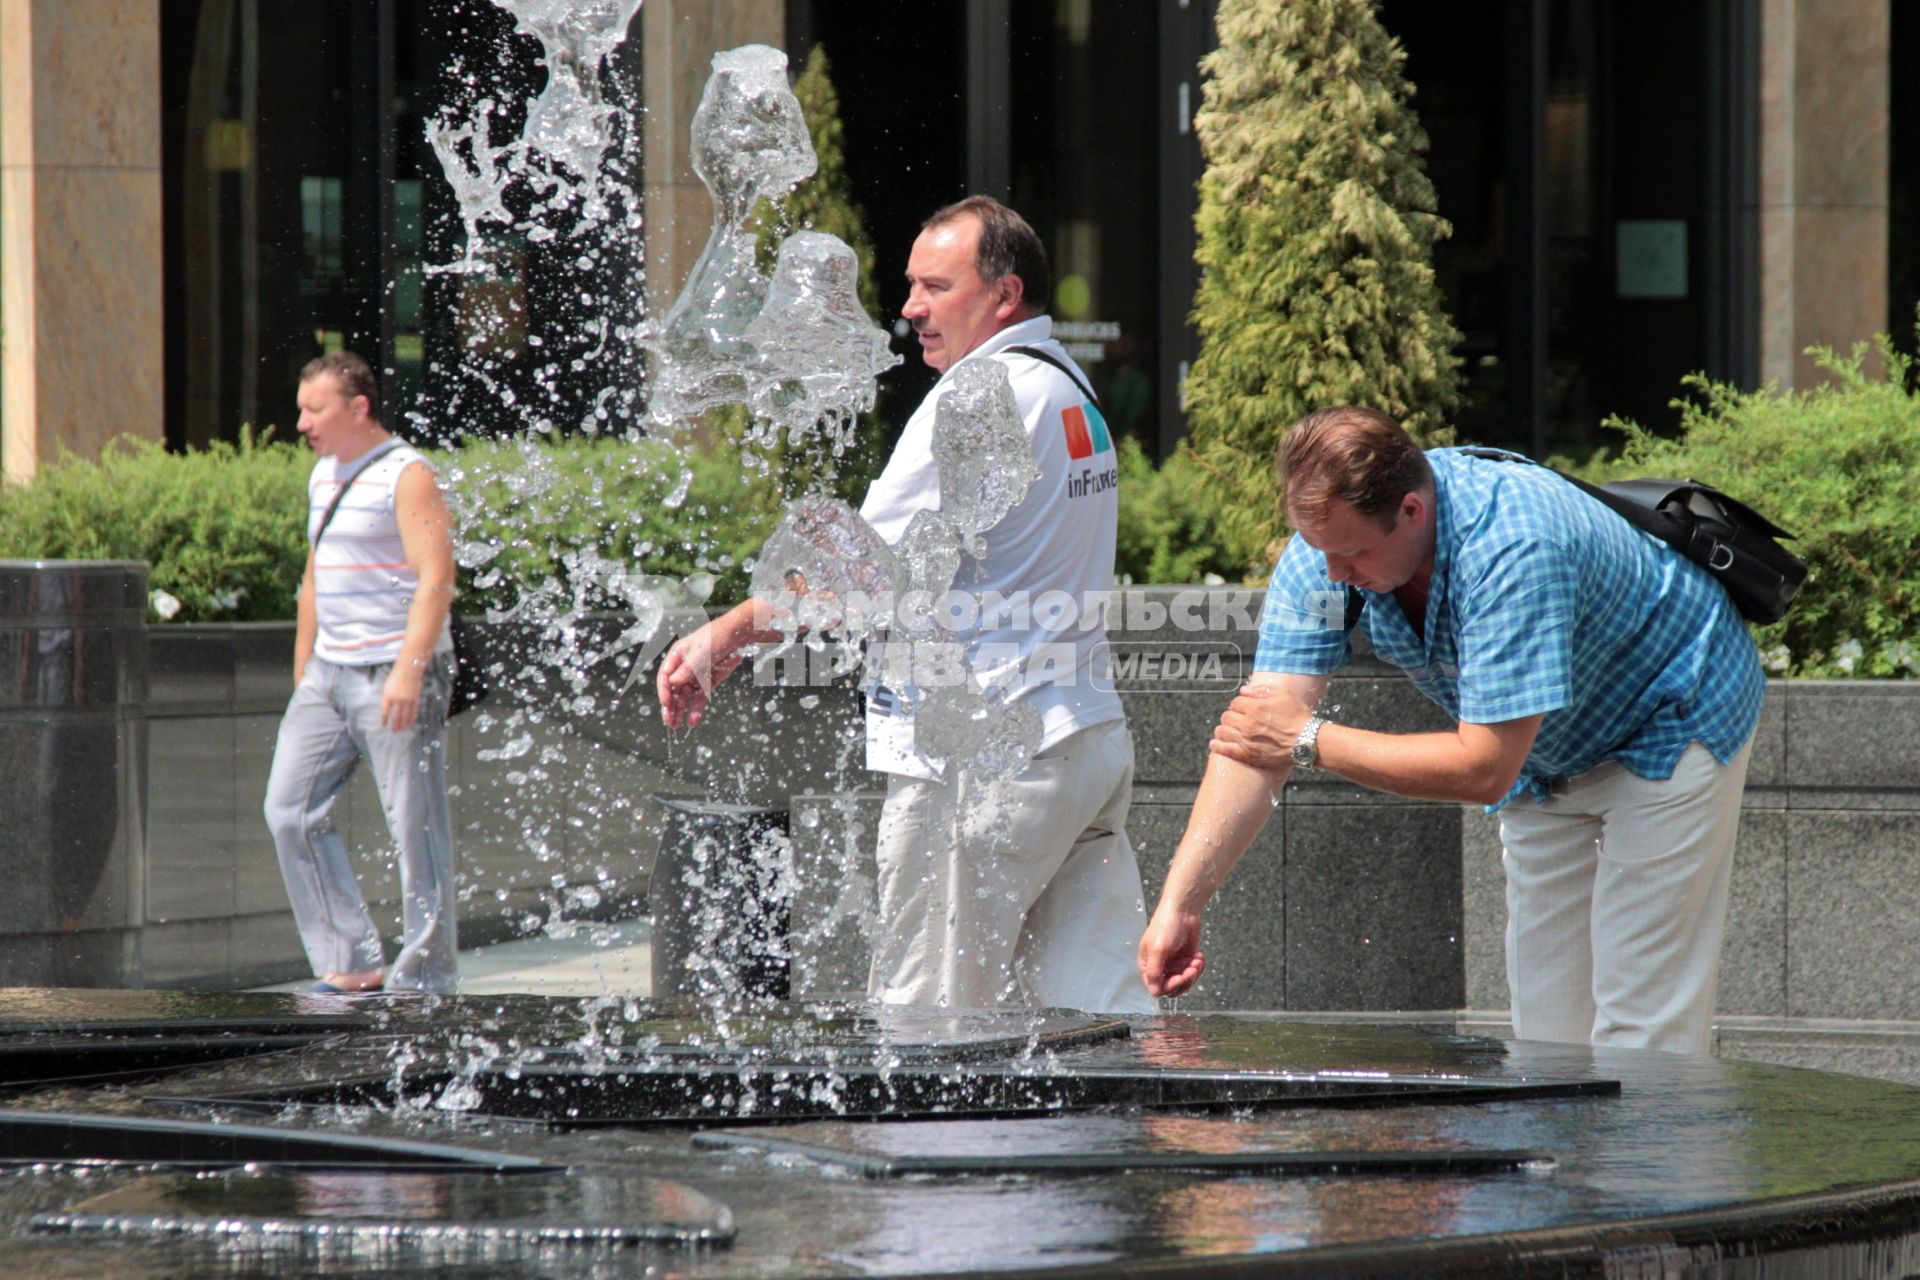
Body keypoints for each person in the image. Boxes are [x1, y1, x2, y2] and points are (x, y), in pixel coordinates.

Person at [1138, 406, 1765, 1054]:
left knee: (1641, 1035)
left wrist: (1309, 739)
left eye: (1352, 552)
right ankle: (1572, 1159)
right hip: (1545, 759)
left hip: (1668, 717)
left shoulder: (1512, 545)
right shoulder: (1325, 552)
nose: (1332, 574)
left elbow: (1482, 766)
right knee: (1550, 1039)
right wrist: (1180, 903)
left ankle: (1655, 1157)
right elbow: (1256, 736)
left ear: (1412, 511)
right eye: (1322, 550)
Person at [658, 196, 1155, 1014]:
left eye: (936, 286)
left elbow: (861, 567)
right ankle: (1141, 1142)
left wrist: (730, 634)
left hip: (982, 765)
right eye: (911, 286)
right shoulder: (1066, 386)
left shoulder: (977, 394)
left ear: (1004, 295)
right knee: (1101, 1018)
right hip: (1082, 743)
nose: (911, 307)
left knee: (932, 1021)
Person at [263, 351, 460, 995]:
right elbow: (313, 580)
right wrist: (304, 673)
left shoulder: (409, 475)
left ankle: (425, 980)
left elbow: (437, 580)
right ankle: (349, 959)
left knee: (414, 827)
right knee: (289, 809)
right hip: (329, 673)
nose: (301, 422)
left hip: (392, 671)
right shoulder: (324, 476)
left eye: (313, 408)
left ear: (358, 408)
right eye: (300, 408)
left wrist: (409, 672)